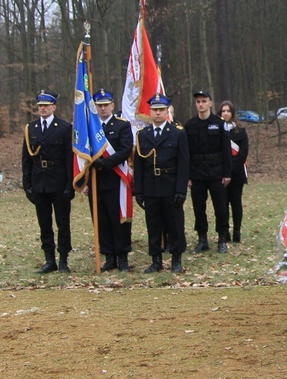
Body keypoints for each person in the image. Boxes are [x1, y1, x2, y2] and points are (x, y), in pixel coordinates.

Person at [133, 94, 189, 273]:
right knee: (153, 224)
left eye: (161, 110)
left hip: (171, 185)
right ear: (150, 112)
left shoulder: (178, 133)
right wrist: (138, 190)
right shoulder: (143, 135)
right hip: (151, 186)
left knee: (175, 224)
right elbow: (139, 164)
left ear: (167, 112)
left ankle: (176, 259)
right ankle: (156, 259)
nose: (157, 113)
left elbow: (184, 163)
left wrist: (181, 190)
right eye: (155, 110)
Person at [22, 90, 75, 273]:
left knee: (62, 222)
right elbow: (26, 159)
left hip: (59, 181)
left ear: (54, 107)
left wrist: (70, 185)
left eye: (46, 105)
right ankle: (49, 259)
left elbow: (69, 159)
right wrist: (27, 184)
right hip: (39, 182)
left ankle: (63, 260)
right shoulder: (31, 128)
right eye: (40, 106)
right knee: (44, 223)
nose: (43, 109)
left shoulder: (64, 128)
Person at [87, 89, 134, 272]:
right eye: (99, 106)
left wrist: (104, 163)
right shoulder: (90, 127)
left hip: (116, 179)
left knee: (119, 220)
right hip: (96, 181)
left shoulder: (122, 125)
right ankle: (109, 257)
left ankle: (122, 257)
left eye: (106, 105)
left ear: (113, 106)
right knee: (101, 220)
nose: (103, 109)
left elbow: (125, 150)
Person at [184, 91, 232, 254]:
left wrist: (227, 173)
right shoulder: (190, 125)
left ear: (210, 103)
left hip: (216, 171)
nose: (201, 104)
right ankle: (202, 238)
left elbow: (226, 150)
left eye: (204, 101)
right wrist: (187, 175)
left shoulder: (219, 123)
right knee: (199, 207)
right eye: (198, 102)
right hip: (196, 172)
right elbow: (186, 153)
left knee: (220, 207)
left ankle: (222, 239)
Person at [219, 101, 248, 243]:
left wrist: (230, 168)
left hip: (236, 173)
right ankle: (225, 232)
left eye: (228, 111)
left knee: (235, 202)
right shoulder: (217, 130)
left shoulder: (240, 130)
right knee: (222, 204)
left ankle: (237, 230)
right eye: (223, 111)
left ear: (232, 113)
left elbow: (243, 152)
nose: (225, 113)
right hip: (220, 174)